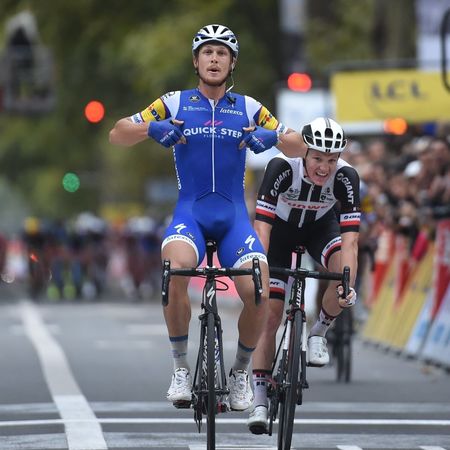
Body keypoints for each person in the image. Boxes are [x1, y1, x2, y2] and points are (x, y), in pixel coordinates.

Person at [109, 24, 304, 411]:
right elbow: (118, 134)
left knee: (259, 288)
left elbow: (300, 146)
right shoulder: (174, 102)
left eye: (222, 53)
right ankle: (180, 367)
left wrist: (275, 138)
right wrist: (151, 128)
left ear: (232, 63)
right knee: (174, 272)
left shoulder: (249, 107)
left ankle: (241, 372)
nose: (214, 59)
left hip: (234, 220)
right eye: (207, 53)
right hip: (191, 216)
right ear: (196, 61)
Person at [247, 117, 360, 433]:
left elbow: (351, 239)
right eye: (318, 158)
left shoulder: (347, 176)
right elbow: (262, 228)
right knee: (270, 315)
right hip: (279, 234)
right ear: (304, 152)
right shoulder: (281, 167)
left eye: (331, 160)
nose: (324, 168)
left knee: (342, 271)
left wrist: (347, 282)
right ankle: (259, 400)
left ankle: (320, 331)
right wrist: (260, 272)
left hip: (320, 229)